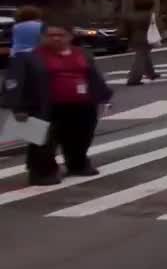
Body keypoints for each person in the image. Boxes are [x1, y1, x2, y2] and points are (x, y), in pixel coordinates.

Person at [1, 19, 113, 185]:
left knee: (80, 137)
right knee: (41, 142)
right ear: (42, 37)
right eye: (50, 35)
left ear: (69, 36)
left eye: (60, 35)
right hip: (42, 106)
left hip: (81, 104)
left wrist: (103, 97)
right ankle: (41, 172)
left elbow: (94, 77)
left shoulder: (82, 54)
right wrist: (19, 107)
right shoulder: (28, 57)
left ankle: (77, 164)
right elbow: (14, 83)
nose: (55, 38)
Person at [121, 0, 161, 86]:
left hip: (134, 38)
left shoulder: (129, 15)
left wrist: (126, 37)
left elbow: (125, 29)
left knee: (144, 55)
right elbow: (159, 26)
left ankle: (151, 73)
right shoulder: (150, 15)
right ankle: (134, 79)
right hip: (147, 38)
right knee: (140, 58)